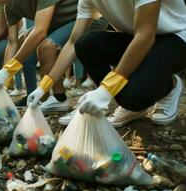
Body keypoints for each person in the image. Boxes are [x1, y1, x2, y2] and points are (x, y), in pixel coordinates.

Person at [27, 0, 186, 127]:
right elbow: (73, 42)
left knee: (133, 97)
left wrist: (106, 90)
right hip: (136, 38)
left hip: (176, 37)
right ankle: (126, 101)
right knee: (86, 44)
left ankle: (170, 85)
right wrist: (44, 86)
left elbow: (145, 35)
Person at [0, 0, 107, 109]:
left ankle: (51, 99)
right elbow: (12, 42)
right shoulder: (9, 7)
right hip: (60, 23)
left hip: (87, 17)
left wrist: (8, 70)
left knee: (47, 47)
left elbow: (40, 31)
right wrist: (4, 79)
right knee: (26, 46)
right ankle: (36, 96)